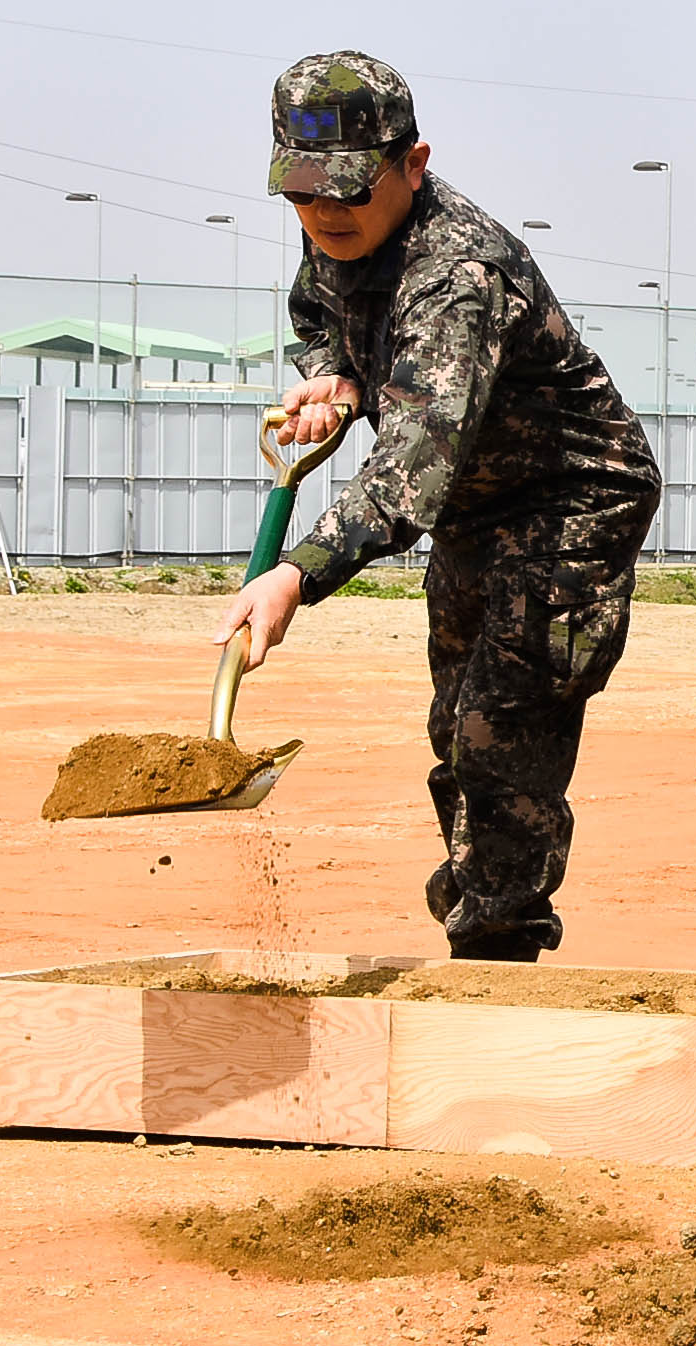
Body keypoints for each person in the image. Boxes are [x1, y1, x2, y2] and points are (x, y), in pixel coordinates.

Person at [213, 51, 661, 963]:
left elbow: (411, 464)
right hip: (475, 504)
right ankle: (485, 912)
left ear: (413, 165)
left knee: (503, 728)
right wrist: (330, 373)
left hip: (570, 499)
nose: (324, 216)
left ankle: (497, 950)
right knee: (454, 731)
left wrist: (297, 573)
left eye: (348, 192)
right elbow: (314, 309)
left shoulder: (458, 271)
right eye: (302, 197)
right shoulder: (333, 227)